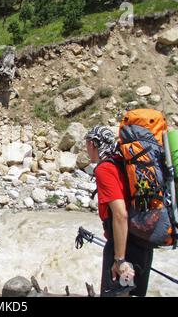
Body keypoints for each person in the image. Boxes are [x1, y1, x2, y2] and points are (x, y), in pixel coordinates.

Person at [85, 125, 154, 297]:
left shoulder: (105, 170)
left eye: (87, 145)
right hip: (143, 244)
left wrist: (120, 259)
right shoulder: (122, 163)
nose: (86, 150)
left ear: (93, 144)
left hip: (124, 249)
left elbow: (120, 214)